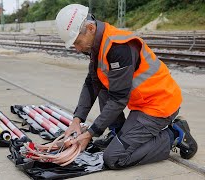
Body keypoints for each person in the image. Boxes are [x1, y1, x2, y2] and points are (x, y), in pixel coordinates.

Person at [55, 4, 198, 169]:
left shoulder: (118, 47)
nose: (78, 49)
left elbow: (118, 99)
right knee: (102, 85)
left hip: (159, 105)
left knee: (114, 158)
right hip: (142, 102)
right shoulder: (96, 44)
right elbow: (92, 82)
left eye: (78, 42)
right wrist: (77, 120)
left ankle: (173, 134)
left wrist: (90, 133)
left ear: (90, 27)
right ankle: (118, 132)